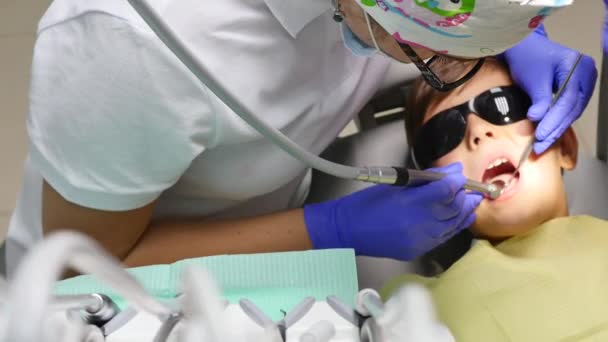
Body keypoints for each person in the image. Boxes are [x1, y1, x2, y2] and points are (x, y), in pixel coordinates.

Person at [4, 0, 597, 275]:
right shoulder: (128, 43)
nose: (478, 132)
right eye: (442, 59)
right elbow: (84, 260)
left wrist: (513, 38)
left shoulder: (405, 22)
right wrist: (329, 231)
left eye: (498, 100)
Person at [382, 57, 608, 341]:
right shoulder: (418, 306)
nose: (477, 131)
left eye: (503, 104)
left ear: (565, 147)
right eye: (444, 132)